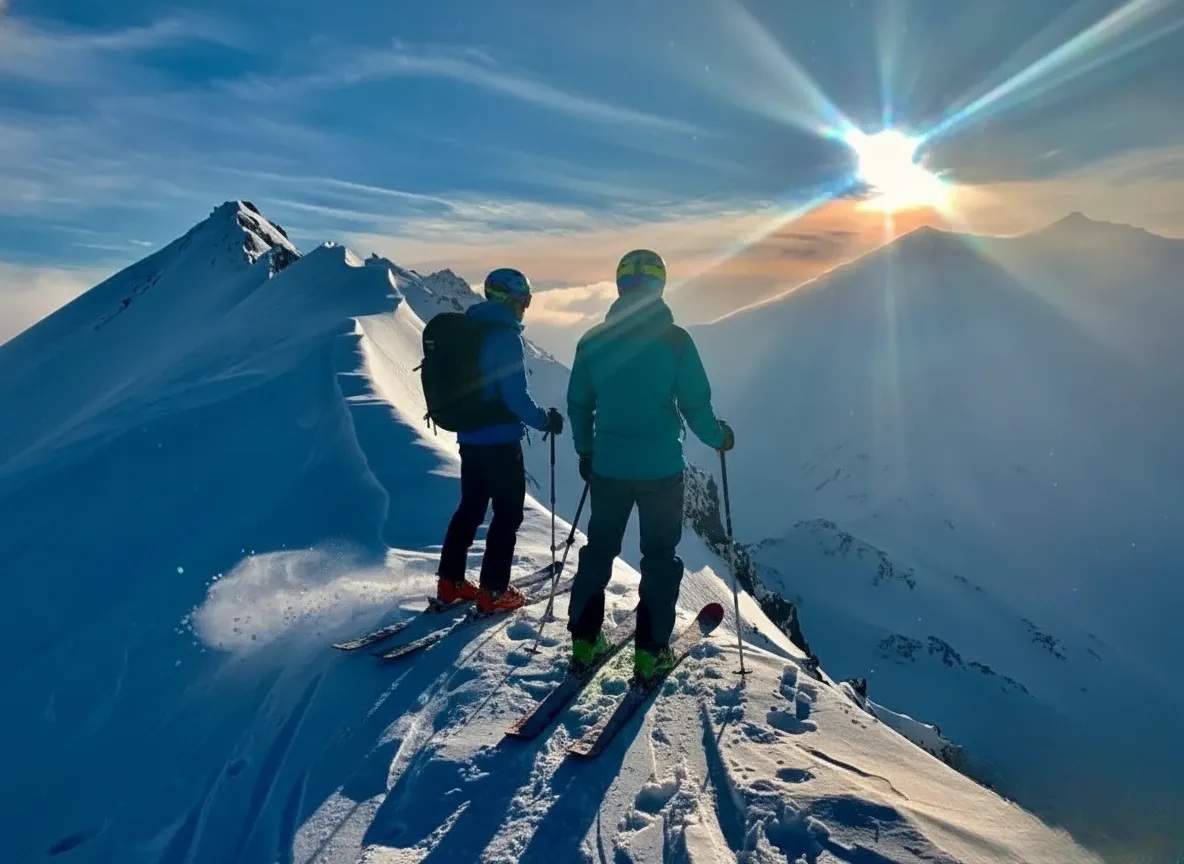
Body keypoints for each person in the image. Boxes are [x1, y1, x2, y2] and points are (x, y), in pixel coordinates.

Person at [565, 249, 734, 681]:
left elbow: (580, 405)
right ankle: (649, 652)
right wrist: (720, 438)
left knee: (599, 552)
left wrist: (586, 452)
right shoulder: (675, 340)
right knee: (659, 557)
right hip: (660, 470)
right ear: (660, 286)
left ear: (620, 286)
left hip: (608, 468)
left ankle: (584, 641)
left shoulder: (592, 341)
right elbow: (695, 405)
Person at [436, 267, 565, 614]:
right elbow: (516, 398)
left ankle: (450, 582)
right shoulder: (506, 338)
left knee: (470, 508)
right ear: (512, 300)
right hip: (501, 441)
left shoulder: (470, 330)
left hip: (470, 438)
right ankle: (493, 592)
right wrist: (545, 421)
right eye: (525, 300)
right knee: (507, 514)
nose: (526, 308)